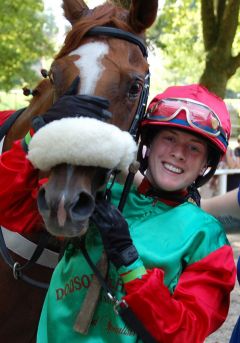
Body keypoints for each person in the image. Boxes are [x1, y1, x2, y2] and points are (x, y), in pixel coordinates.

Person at [0, 84, 236, 342]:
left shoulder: (209, 241)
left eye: (194, 148)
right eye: (169, 138)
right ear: (148, 145)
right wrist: (39, 133)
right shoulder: (95, 195)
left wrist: (129, 261)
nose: (178, 154)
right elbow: (9, 203)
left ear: (205, 164)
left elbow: (184, 333)